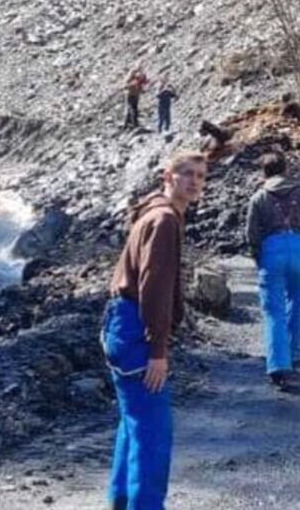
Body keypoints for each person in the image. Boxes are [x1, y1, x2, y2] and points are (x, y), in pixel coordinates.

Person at [103, 148, 211, 510]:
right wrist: (157, 350)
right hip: (135, 325)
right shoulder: (164, 220)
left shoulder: (154, 212)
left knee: (133, 420)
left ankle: (120, 499)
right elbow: (155, 288)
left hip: (121, 320)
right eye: (187, 174)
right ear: (168, 176)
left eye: (200, 176)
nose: (194, 182)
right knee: (153, 432)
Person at [246, 152, 300, 390]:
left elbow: (252, 234)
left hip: (272, 249)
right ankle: (295, 355)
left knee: (273, 310)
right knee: (296, 304)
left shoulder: (259, 197)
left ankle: (278, 365)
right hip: (299, 247)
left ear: (264, 173)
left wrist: (259, 258)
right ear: (286, 169)